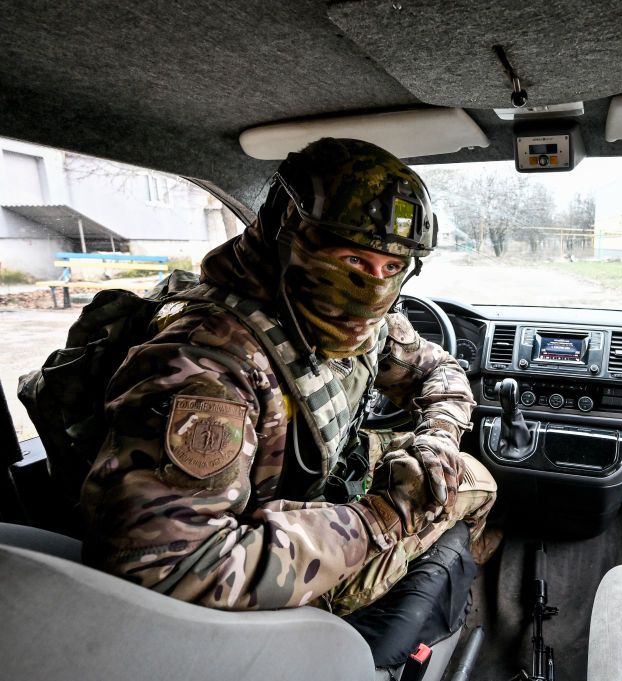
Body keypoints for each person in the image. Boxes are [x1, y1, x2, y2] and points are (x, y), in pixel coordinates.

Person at [79, 138, 497, 615]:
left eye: (393, 267)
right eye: (353, 261)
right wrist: (383, 517)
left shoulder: (355, 320)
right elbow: (168, 568)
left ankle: (452, 565)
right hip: (257, 565)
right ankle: (438, 594)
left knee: (444, 466)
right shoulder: (207, 364)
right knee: (477, 483)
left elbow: (439, 370)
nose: (373, 288)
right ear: (286, 235)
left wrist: (437, 439)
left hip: (320, 487)